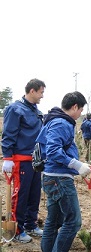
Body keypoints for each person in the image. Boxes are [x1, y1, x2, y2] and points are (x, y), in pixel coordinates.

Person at [35, 91, 91, 252]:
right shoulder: (62, 123)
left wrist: (78, 167)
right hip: (58, 178)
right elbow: (53, 151)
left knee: (54, 219)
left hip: (53, 176)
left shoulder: (55, 120)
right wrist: (76, 164)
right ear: (75, 107)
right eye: (81, 110)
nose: (80, 114)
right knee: (73, 221)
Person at [1, 78, 46, 243]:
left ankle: (30, 224)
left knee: (34, 194)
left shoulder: (35, 111)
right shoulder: (15, 109)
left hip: (35, 160)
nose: (42, 96)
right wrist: (7, 157)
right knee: (21, 194)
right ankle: (17, 229)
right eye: (41, 92)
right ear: (32, 91)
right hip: (20, 159)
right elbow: (9, 133)